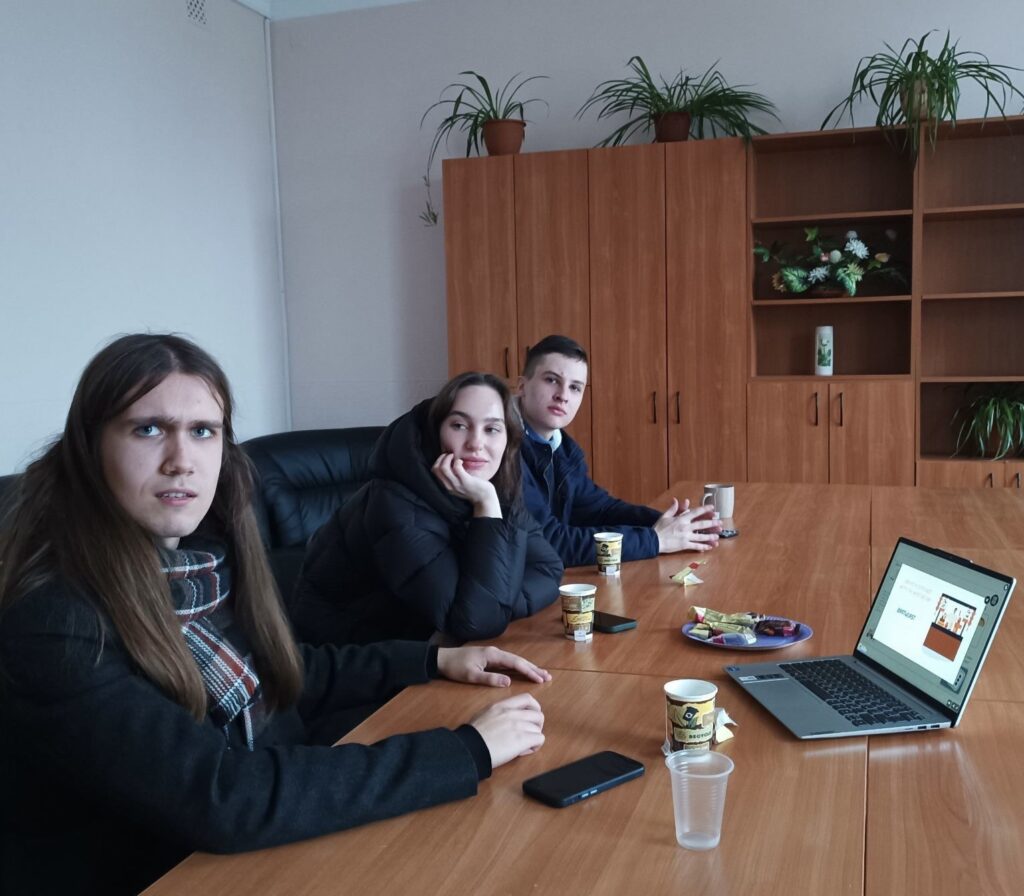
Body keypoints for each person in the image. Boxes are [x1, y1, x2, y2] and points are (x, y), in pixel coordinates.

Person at [0, 335, 549, 896]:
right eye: (148, 429)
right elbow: (221, 794)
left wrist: (433, 661)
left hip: (252, 832)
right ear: (89, 447)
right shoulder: (54, 620)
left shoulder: (201, 565)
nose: (181, 460)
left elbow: (282, 672)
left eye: (203, 431)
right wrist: (464, 750)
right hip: (165, 872)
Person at [293, 371, 563, 647]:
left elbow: (548, 568)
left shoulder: (494, 488)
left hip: (427, 640)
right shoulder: (394, 505)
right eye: (459, 425)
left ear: (508, 440)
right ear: (435, 432)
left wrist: (496, 601)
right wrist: (486, 506)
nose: (476, 443)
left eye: (492, 429)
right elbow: (478, 620)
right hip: (352, 653)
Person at [516, 334, 721, 568]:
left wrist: (672, 525)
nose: (563, 396)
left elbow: (600, 510)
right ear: (522, 386)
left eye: (575, 387)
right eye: (552, 380)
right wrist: (655, 539)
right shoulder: (501, 450)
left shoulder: (561, 447)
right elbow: (548, 543)